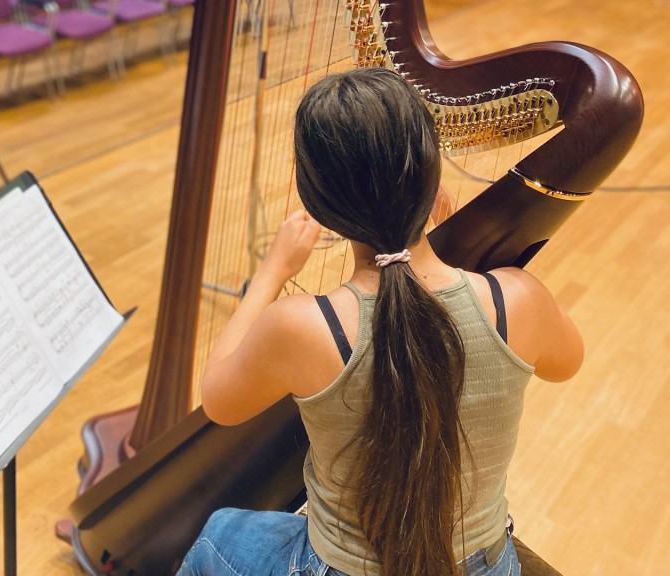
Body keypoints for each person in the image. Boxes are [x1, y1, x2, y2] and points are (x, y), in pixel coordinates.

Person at [176, 67, 583, 576]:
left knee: (218, 535)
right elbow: (567, 364)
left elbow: (218, 399)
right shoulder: (517, 300)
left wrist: (272, 271)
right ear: (434, 179)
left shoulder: (300, 327)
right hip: (485, 565)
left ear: (318, 202)